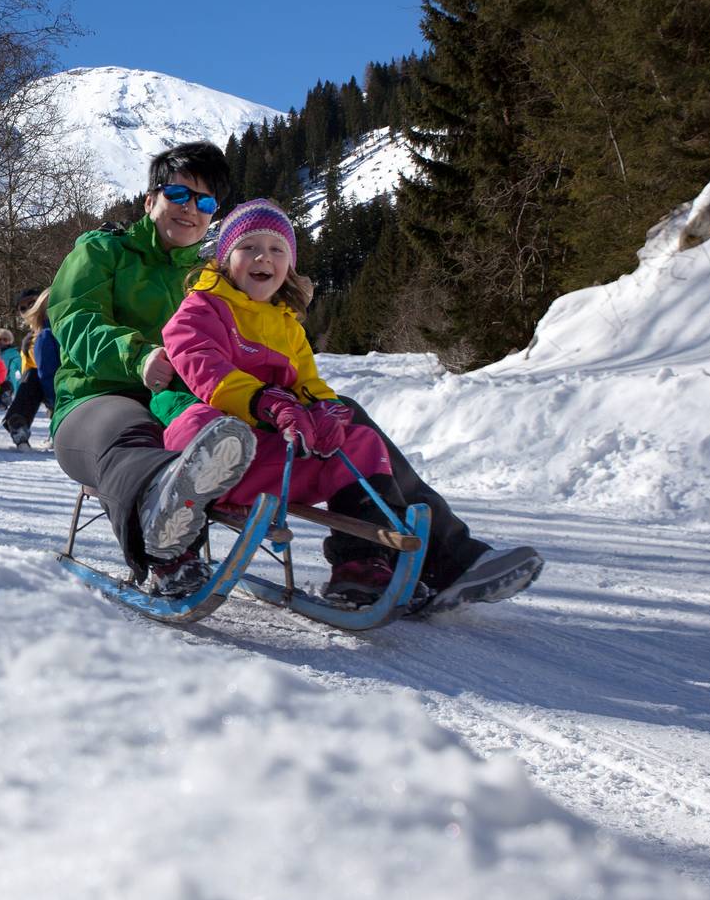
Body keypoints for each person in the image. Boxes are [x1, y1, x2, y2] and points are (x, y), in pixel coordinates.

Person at [47, 141, 541, 611]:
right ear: (152, 198)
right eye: (177, 193)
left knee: (347, 419)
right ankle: (167, 553)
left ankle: (446, 557)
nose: (189, 207)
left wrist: (294, 403)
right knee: (135, 431)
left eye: (204, 200)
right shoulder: (103, 251)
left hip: (203, 401)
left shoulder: (217, 274)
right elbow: (73, 320)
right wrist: (137, 356)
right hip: (104, 394)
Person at [157, 199, 489, 606]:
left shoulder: (287, 326)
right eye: (250, 247)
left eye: (277, 250)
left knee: (361, 442)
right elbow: (203, 367)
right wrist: (265, 400)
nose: (264, 257)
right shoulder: (201, 309)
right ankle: (181, 521)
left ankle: (363, 563)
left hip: (270, 460)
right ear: (226, 258)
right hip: (210, 456)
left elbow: (309, 382)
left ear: (290, 266)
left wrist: (323, 408)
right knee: (203, 424)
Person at [1, 289, 49, 448]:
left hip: (66, 387)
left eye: (32, 303)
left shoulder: (59, 326)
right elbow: (26, 375)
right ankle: (18, 422)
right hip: (48, 389)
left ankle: (17, 419)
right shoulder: (29, 341)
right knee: (32, 375)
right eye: (23, 308)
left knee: (34, 374)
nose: (29, 309)